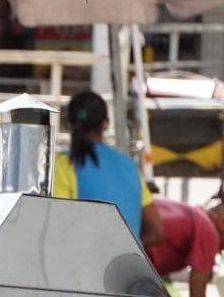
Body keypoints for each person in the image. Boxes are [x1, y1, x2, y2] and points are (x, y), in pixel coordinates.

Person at [50, 90, 159, 246]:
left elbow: (56, 227)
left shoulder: (63, 165)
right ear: (106, 124)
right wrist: (128, 247)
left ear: (68, 124)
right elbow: (157, 231)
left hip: (82, 264)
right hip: (124, 266)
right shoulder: (129, 165)